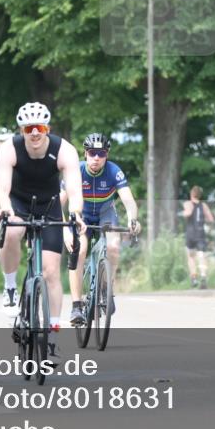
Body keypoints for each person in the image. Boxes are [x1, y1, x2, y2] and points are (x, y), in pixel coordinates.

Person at [0, 101, 84, 342]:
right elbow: (2, 188)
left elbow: (74, 190)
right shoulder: (8, 149)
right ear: (21, 130)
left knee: (51, 270)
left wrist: (75, 213)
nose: (34, 133)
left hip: (50, 205)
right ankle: (10, 287)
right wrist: (6, 210)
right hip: (18, 203)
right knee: (13, 231)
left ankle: (52, 333)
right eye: (28, 128)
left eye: (40, 128)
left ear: (48, 129)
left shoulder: (65, 150)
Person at [62, 133, 141, 326]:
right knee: (79, 250)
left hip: (106, 213)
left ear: (107, 154)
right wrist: (66, 229)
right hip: (83, 215)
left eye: (101, 153)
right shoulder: (76, 171)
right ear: (85, 153)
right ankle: (76, 305)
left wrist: (133, 219)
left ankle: (107, 290)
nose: (96, 157)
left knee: (113, 246)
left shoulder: (114, 171)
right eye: (92, 153)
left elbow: (129, 201)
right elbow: (59, 201)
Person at [182, 186, 215, 289]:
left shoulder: (187, 203)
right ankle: (203, 276)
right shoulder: (203, 205)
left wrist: (184, 213)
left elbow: (187, 213)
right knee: (201, 255)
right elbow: (211, 219)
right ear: (200, 195)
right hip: (201, 233)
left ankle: (194, 277)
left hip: (191, 233)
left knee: (191, 256)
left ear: (191, 194)